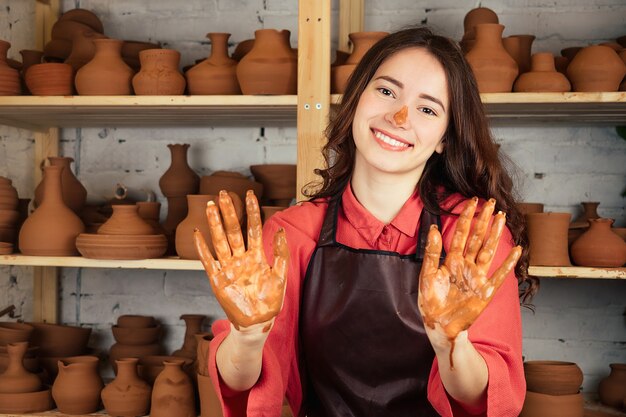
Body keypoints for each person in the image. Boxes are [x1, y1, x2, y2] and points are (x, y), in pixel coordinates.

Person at [194, 26, 538, 417]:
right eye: (387, 91)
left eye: (428, 109)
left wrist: (452, 344)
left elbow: (488, 403)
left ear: (445, 137)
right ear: (356, 99)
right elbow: (244, 385)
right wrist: (247, 336)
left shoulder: (473, 237)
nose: (400, 116)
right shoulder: (292, 234)